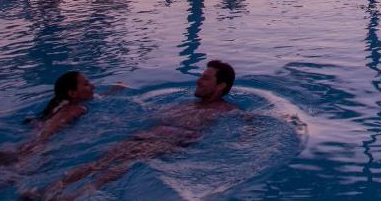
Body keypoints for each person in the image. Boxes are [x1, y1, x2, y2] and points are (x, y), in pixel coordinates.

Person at [41, 60, 238, 199]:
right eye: (201, 76)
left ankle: (74, 197)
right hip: (149, 134)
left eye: (205, 78)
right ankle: (51, 189)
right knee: (101, 161)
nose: (198, 80)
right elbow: (153, 115)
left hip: (170, 141)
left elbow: (250, 124)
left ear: (220, 85)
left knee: (125, 163)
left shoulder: (226, 109)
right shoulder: (188, 105)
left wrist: (245, 135)